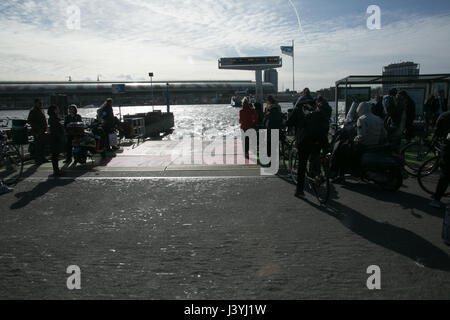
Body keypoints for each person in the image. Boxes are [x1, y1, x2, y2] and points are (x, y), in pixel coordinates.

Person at [286, 89, 330, 198]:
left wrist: (285, 124)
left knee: (302, 165)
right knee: (315, 156)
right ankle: (317, 175)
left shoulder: (298, 109)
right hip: (319, 139)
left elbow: (289, 122)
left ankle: (299, 191)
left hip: (304, 141)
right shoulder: (316, 108)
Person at [429, 111, 450, 208]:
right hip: (448, 148)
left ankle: (436, 198)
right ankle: (436, 198)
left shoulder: (445, 115)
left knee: (445, 175)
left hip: (446, 146)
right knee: (446, 175)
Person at [384, 88, 405, 153]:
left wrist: (388, 116)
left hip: (395, 122)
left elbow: (391, 111)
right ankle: (396, 151)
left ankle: (392, 151)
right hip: (397, 122)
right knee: (396, 139)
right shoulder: (400, 102)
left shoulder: (391, 98)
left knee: (391, 137)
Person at [27, 99, 48, 165]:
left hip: (43, 130)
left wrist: (45, 128)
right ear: (35, 103)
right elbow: (30, 121)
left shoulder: (41, 110)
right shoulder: (33, 111)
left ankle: (43, 158)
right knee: (38, 146)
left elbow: (44, 120)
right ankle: (38, 160)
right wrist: (37, 129)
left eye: (41, 103)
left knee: (43, 145)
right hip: (37, 131)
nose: (40, 104)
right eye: (39, 103)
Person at [48, 105, 66, 176]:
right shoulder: (54, 119)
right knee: (55, 155)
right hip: (55, 139)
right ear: (54, 110)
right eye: (57, 109)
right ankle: (56, 171)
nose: (58, 110)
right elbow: (56, 130)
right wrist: (61, 137)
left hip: (54, 138)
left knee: (55, 155)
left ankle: (56, 170)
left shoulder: (52, 118)